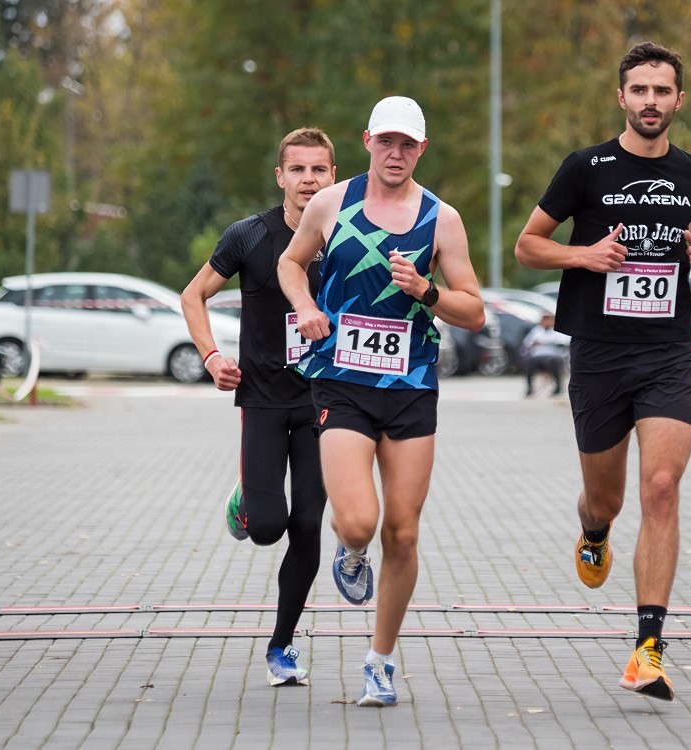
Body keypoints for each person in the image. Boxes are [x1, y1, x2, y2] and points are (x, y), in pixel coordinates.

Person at [514, 41, 691, 702]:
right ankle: (594, 530)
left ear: (678, 100)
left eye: (662, 91)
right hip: (600, 355)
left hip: (667, 354)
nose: (650, 101)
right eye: (640, 90)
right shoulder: (586, 167)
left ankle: (648, 649)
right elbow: (527, 246)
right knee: (605, 498)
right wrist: (584, 256)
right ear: (622, 97)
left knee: (661, 487)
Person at [277, 96, 485, 708]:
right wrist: (306, 306)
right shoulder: (330, 203)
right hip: (341, 382)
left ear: (422, 149)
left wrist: (426, 291)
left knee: (404, 531)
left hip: (411, 387)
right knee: (359, 522)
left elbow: (474, 310)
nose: (396, 154)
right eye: (386, 141)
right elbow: (290, 263)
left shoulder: (441, 219)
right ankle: (351, 552)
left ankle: (380, 661)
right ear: (368, 140)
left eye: (408, 145)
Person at [180, 127, 336, 687]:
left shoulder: (348, 237)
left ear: (334, 176)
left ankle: (282, 645)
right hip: (264, 400)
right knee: (268, 527)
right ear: (280, 177)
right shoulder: (249, 235)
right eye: (298, 169)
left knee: (308, 524)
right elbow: (193, 295)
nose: (308, 180)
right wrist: (211, 356)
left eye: (319, 169)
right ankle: (247, 497)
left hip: (323, 401)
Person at [521, 311, 569, 396]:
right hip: (538, 357)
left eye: (548, 319)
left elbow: (564, 343)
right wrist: (533, 344)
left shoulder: (558, 330)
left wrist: (545, 342)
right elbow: (527, 343)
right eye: (544, 319)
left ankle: (558, 387)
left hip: (553, 357)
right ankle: (530, 388)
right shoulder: (537, 330)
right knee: (529, 361)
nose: (545, 321)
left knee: (554, 361)